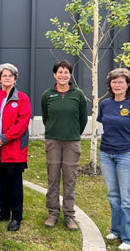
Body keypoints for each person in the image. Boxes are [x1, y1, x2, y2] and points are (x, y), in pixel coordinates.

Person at [0, 63, 31, 232]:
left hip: (14, 149)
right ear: (0, 78)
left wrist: (4, 138)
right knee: (1, 182)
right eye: (4, 75)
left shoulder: (22, 98)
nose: (7, 78)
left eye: (10, 75)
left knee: (15, 184)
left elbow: (22, 122)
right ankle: (3, 213)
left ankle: (16, 217)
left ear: (15, 79)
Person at [97, 68, 130, 251]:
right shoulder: (105, 104)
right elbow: (105, 125)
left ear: (128, 84)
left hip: (127, 155)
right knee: (113, 196)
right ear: (110, 84)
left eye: (121, 82)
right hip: (106, 154)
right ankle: (116, 230)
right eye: (114, 82)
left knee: (127, 198)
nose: (117, 85)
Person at [40, 60, 88, 231]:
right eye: (60, 72)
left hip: (72, 143)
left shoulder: (78, 94)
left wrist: (73, 133)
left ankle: (69, 216)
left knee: (69, 180)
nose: (63, 75)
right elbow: (46, 117)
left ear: (70, 75)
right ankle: (53, 213)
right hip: (53, 141)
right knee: (53, 178)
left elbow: (82, 119)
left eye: (66, 72)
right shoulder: (47, 95)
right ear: (55, 74)